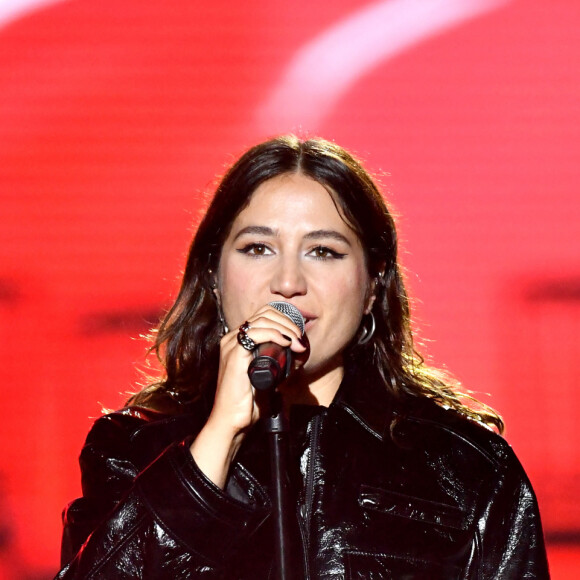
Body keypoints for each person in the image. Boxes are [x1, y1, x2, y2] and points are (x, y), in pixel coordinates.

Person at [56, 135, 550, 579]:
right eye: (257, 248)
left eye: (324, 252)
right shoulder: (132, 451)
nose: (288, 283)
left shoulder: (464, 466)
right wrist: (219, 437)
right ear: (213, 273)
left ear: (374, 284)